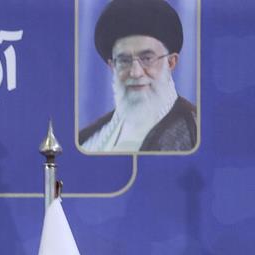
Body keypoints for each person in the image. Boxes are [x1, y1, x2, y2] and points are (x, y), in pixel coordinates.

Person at [78, 0, 197, 152]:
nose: (135, 73)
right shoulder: (88, 140)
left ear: (171, 62)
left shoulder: (195, 129)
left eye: (147, 58)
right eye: (124, 60)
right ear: (112, 66)